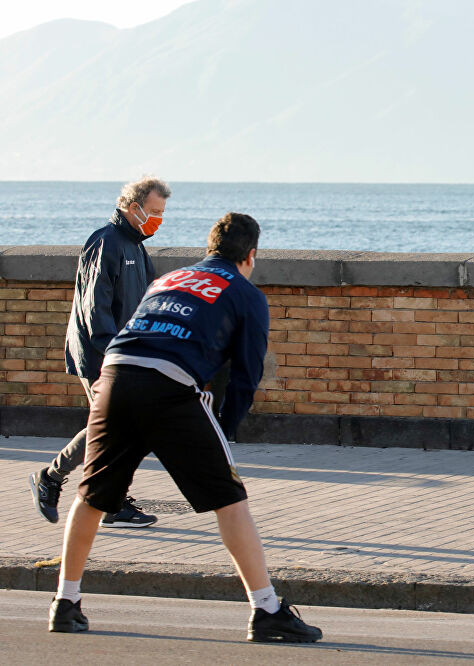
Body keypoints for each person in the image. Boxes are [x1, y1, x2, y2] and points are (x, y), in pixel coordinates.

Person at [48, 212, 321, 642]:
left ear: (209, 249)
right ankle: (267, 610)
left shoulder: (168, 279)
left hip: (114, 377)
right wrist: (224, 428)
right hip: (169, 386)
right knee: (229, 499)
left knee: (92, 496)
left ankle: (66, 602)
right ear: (251, 256)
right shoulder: (245, 293)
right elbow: (247, 375)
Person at [29, 178, 168, 529]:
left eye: (162, 214)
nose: (157, 220)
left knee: (114, 426)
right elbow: (96, 308)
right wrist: (113, 354)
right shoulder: (105, 242)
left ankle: (95, 494)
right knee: (115, 425)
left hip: (125, 353)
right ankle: (72, 486)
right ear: (132, 206)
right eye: (153, 212)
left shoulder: (137, 246)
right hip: (100, 353)